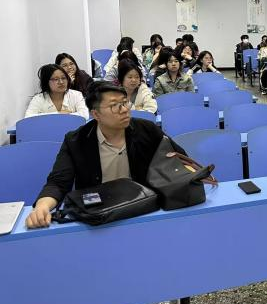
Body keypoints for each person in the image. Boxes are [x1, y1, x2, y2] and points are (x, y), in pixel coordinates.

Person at [25, 82, 188, 229]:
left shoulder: (147, 130)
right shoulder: (76, 141)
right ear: (96, 114)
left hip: (143, 211)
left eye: (125, 102)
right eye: (114, 106)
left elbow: (179, 159)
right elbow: (58, 182)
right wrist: (42, 207)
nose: (124, 109)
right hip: (99, 218)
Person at [25, 64, 90, 119]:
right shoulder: (38, 99)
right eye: (56, 79)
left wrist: (64, 115)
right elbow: (28, 118)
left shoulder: (76, 95)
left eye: (63, 78)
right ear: (46, 82)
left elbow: (84, 115)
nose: (61, 82)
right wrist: (58, 114)